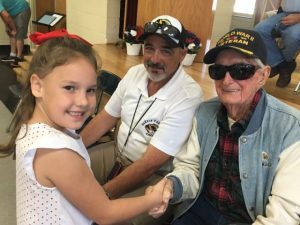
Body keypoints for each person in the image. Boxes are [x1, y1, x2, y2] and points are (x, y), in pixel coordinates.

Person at [0, 32, 167, 225]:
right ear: (37, 86)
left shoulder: (31, 123)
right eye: (70, 88)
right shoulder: (58, 154)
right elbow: (105, 213)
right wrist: (152, 200)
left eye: (90, 90)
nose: (82, 101)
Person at [150, 28, 300, 225]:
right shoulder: (204, 112)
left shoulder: (290, 127)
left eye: (241, 71)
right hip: (199, 209)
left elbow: (284, 214)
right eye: (218, 71)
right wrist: (172, 185)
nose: (227, 80)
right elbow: (190, 167)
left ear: (263, 76)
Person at [80, 15, 203, 225]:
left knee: (115, 220)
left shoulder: (188, 95)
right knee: (69, 174)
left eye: (165, 50)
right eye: (149, 48)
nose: (154, 59)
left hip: (154, 176)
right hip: (116, 153)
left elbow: (148, 165)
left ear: (182, 54)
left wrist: (102, 197)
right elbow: (104, 119)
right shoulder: (135, 73)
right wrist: (70, 148)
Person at [255, 0, 300, 88]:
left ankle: (284, 64)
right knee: (259, 31)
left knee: (292, 35)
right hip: (285, 13)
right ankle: (283, 65)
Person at [0, 0, 31, 67]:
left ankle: (18, 57)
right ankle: (12, 55)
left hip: (22, 9)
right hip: (12, 12)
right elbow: (2, 15)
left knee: (19, 34)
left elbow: (6, 15)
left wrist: (14, 29)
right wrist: (7, 25)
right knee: (10, 32)